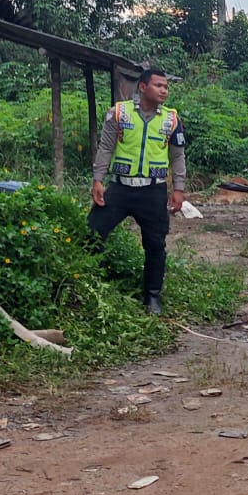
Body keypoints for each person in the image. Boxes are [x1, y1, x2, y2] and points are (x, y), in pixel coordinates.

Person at [89, 69, 187, 315]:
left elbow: (177, 156)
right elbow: (105, 147)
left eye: (166, 86)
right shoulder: (119, 113)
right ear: (143, 87)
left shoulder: (171, 120)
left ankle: (152, 296)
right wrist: (98, 180)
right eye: (158, 85)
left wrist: (178, 189)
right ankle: (94, 284)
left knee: (155, 244)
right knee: (91, 233)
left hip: (153, 191)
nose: (164, 90)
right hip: (120, 188)